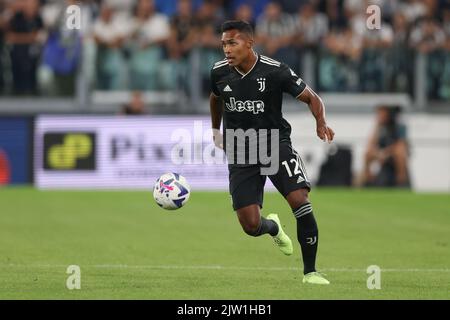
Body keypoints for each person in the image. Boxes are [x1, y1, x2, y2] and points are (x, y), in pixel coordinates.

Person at [210, 20, 335, 285]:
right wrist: (215, 129)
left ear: (249, 43)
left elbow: (312, 97)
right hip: (240, 149)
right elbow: (215, 98)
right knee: (250, 225)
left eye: (232, 43)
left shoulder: (275, 71)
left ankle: (310, 272)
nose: (226, 50)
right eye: (223, 44)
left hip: (274, 143)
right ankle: (274, 228)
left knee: (299, 199)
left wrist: (320, 121)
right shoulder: (219, 73)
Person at [363, 105, 410, 188]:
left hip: (393, 153)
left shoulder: (399, 126)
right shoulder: (379, 127)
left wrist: (386, 153)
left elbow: (400, 144)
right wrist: (376, 126)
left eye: (382, 113)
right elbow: (371, 144)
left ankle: (401, 182)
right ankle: (368, 181)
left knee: (400, 152)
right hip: (381, 153)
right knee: (367, 154)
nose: (379, 116)